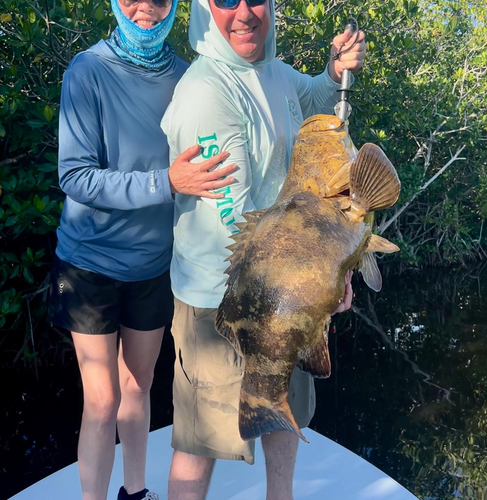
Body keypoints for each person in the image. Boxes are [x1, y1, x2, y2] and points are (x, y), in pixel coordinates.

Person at [160, 1, 366, 499]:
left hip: (287, 288)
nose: (244, 13)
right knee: (199, 445)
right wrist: (321, 273)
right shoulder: (206, 94)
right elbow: (234, 218)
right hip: (222, 304)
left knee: (282, 413)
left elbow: (310, 95)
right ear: (204, 10)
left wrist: (333, 71)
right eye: (226, 0)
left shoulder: (269, 70)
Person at [48, 0, 238, 499]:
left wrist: (327, 79)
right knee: (103, 400)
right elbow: (75, 176)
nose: (145, 8)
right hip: (89, 264)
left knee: (139, 386)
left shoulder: (187, 77)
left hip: (154, 264)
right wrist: (166, 183)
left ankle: (135, 493)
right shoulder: (87, 71)